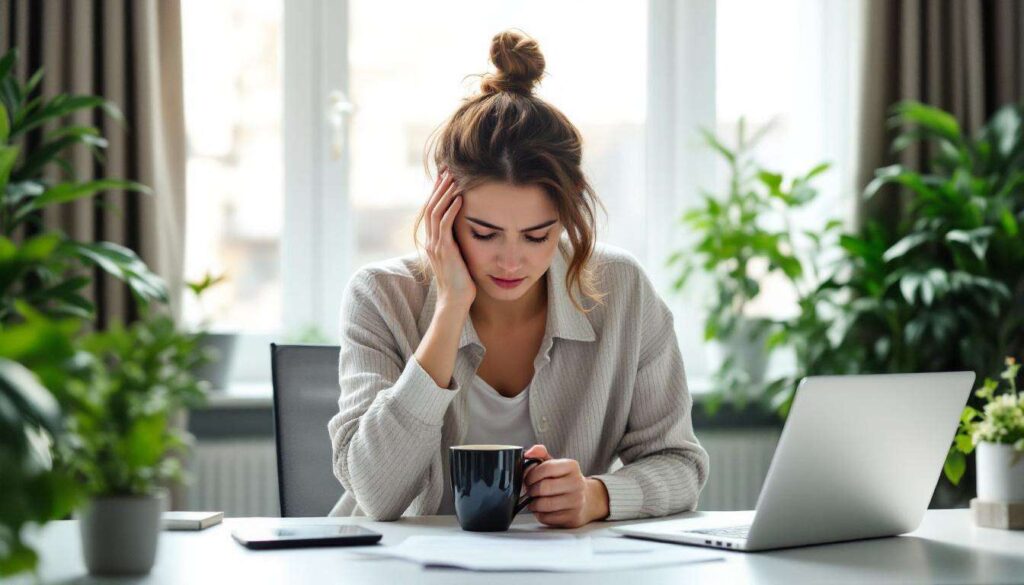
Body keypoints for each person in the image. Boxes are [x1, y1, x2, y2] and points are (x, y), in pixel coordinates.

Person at [328, 29, 707, 528]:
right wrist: (449, 312)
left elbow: (680, 464)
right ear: (444, 208)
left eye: (536, 235)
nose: (511, 262)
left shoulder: (623, 290)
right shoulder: (380, 296)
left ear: (568, 213)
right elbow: (377, 494)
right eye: (485, 233)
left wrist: (599, 496)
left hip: (565, 567)